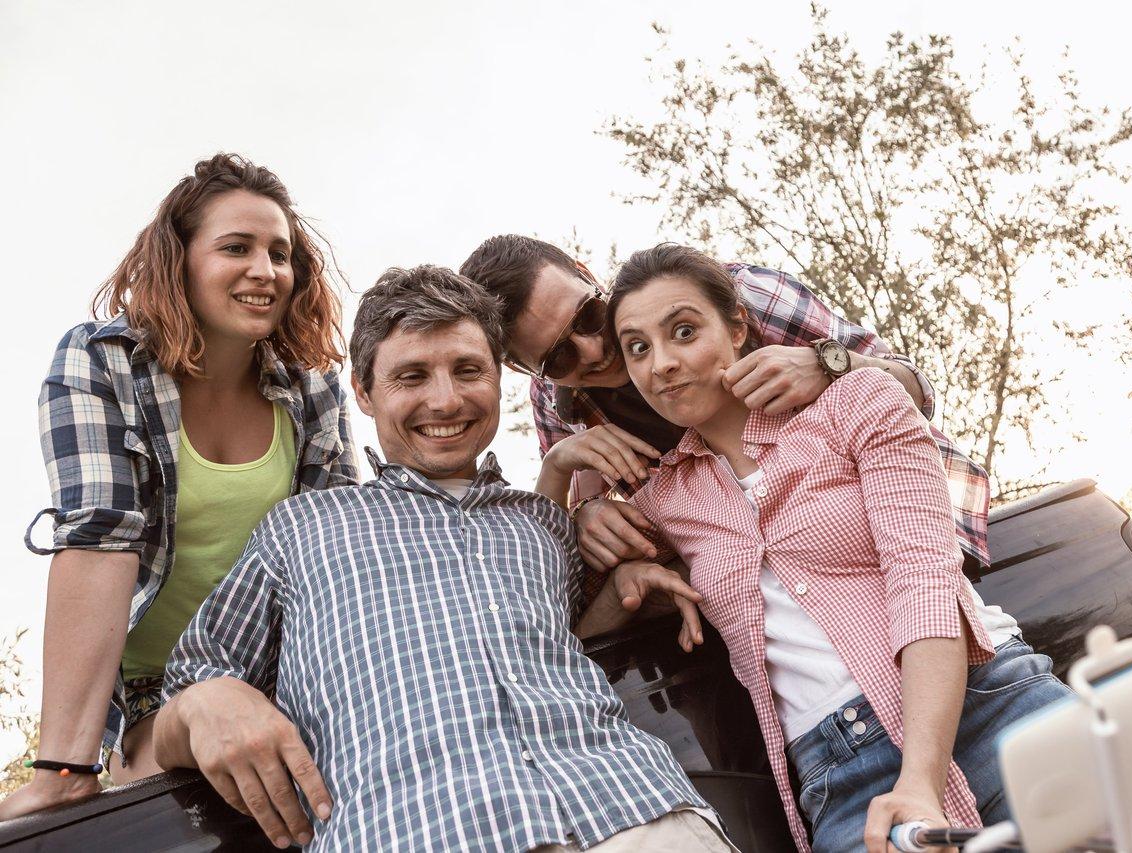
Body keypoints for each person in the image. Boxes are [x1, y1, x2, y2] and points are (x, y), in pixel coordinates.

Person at [151, 265, 732, 852]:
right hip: (421, 832)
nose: (446, 399)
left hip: (638, 812)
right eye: (412, 376)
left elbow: (570, 643)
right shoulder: (302, 528)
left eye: (468, 370)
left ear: (497, 380)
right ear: (363, 391)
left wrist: (624, 590)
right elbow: (181, 699)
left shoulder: (544, 522)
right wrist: (203, 700)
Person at [550, 244, 1073, 853]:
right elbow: (554, 625)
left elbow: (923, 575)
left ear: (738, 326)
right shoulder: (662, 500)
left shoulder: (856, 403)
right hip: (842, 778)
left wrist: (921, 781)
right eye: (639, 348)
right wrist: (570, 490)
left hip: (991, 706)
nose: (662, 363)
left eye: (684, 331)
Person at [0, 154, 357, 821]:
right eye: (236, 248)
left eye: (280, 253)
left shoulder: (312, 390)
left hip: (289, 673)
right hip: (156, 693)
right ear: (180, 261)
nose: (265, 270)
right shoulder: (101, 363)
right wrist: (63, 768)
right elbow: (100, 537)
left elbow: (342, 552)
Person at [459, 235, 989, 582]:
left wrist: (828, 364)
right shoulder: (560, 407)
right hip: (763, 595)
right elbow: (577, 539)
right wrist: (588, 514)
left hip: (912, 539)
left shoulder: (740, 295)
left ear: (585, 270)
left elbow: (915, 390)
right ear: (526, 371)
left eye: (589, 315)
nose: (594, 350)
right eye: (558, 356)